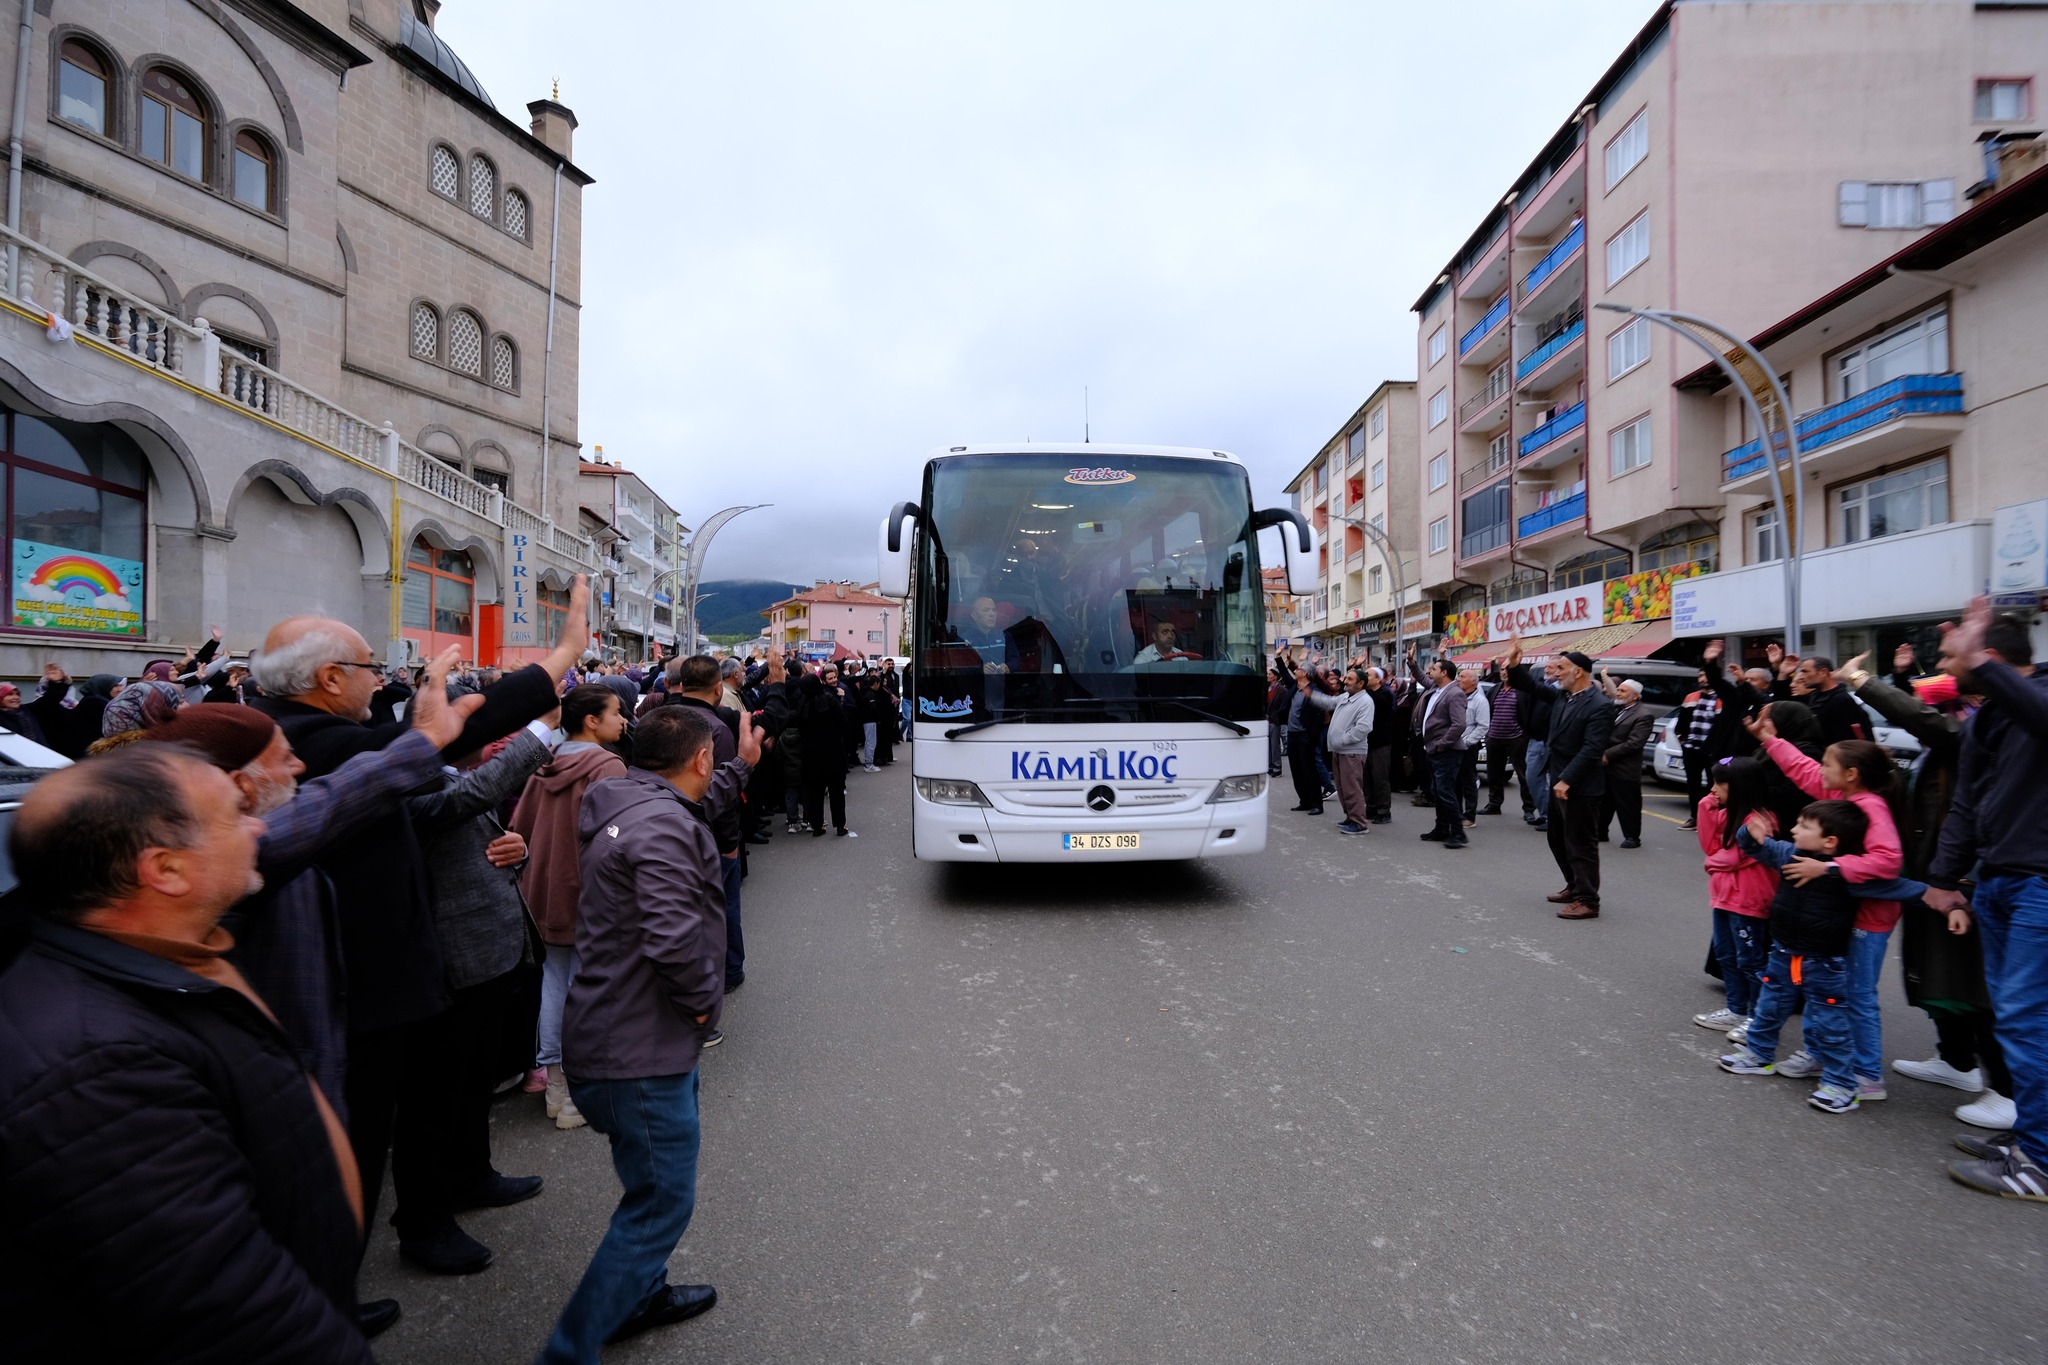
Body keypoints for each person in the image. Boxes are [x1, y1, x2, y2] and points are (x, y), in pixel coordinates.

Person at [249, 576, 590, 1278]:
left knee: (439, 1095)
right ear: (329, 676)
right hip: (367, 976)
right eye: (374, 666)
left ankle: (442, 1198)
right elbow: (432, 758)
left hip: (401, 961)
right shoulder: (311, 740)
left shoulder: (332, 731)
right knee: (368, 1134)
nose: (384, 680)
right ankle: (336, 1287)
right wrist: (557, 663)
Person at [0, 746, 376, 1362]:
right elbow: (230, 1314)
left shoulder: (159, 964)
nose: (259, 825)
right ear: (166, 870)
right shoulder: (96, 1070)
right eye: (234, 814)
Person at [537, 706, 761, 1361]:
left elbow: (694, 802)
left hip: (622, 1036)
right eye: (715, 760)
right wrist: (701, 1004)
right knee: (660, 1203)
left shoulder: (628, 796)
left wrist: (743, 762)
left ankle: (640, 1293)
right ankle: (569, 1349)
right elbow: (670, 936)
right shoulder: (663, 826)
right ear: (698, 760)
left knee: (648, 1185)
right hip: (637, 1052)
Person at [1838, 650, 2012, 1121]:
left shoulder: (1983, 727)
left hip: (1964, 877)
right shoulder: (1962, 729)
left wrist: (1860, 679)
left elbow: (1925, 720)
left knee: (1971, 983)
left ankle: (2008, 1089)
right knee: (1935, 972)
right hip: (1935, 872)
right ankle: (1957, 1061)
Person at [1925, 602, 2048, 1201]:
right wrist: (1945, 878)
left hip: (2039, 886)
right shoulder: (1986, 718)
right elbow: (1968, 805)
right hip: (1999, 882)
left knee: (2027, 1019)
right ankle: (2031, 1138)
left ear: (1990, 658)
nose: (1944, 669)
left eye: (1955, 658)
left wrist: (1983, 668)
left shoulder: (2037, 697)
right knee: (2016, 1019)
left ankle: (2040, 1163)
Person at [1719, 800, 1924, 1114]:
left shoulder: (1847, 873)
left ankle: (1841, 1084)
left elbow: (1896, 887)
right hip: (1783, 954)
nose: (1793, 829)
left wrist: (1945, 898)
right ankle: (1758, 1055)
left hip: (1826, 964)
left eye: (1804, 826)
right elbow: (1754, 847)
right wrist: (1750, 832)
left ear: (1830, 842)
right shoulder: (1788, 854)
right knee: (1769, 1009)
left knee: (1831, 1026)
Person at [1750, 719, 1907, 1102]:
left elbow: (1889, 860)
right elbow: (1803, 769)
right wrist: (1770, 738)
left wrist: (1829, 867)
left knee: (1855, 995)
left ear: (1850, 775)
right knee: (1826, 992)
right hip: (1839, 916)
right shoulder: (1842, 797)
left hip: (1868, 920)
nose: (1819, 769)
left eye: (1828, 764)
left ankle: (1867, 1074)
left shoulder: (1871, 808)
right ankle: (1823, 1055)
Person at [513, 688, 630, 1121]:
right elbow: (616, 836)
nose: (623, 720)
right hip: (589, 889)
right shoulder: (607, 766)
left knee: (555, 983)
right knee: (592, 988)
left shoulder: (544, 761)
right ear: (591, 721)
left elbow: (519, 826)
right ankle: (582, 1092)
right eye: (616, 713)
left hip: (542, 887)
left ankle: (556, 1088)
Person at [663, 657, 749, 993]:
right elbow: (725, 790)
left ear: (681, 685)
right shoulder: (716, 730)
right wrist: (730, 844)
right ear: (718, 688)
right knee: (723, 909)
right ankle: (729, 971)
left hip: (666, 829)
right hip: (710, 835)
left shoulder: (657, 718)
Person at [1693, 757, 1778, 1035]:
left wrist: (1712, 862)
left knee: (1751, 960)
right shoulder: (1725, 812)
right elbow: (1710, 846)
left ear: (1740, 786)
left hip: (1749, 903)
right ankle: (1736, 1009)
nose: (1713, 789)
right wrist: (1705, 807)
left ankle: (1758, 1017)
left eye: (1719, 783)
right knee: (1726, 954)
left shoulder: (1761, 821)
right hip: (1724, 898)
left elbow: (1736, 856)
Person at [1525, 645, 1611, 919]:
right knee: (1557, 838)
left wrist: (1567, 780)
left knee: (1581, 843)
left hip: (1580, 786)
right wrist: (1514, 666)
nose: (1556, 673)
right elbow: (1534, 688)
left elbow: (1592, 749)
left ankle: (1588, 900)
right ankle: (1574, 885)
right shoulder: (1564, 696)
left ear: (1578, 671)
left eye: (1561, 668)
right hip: (1559, 779)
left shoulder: (1600, 705)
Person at [1302, 664, 1375, 834]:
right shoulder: (1345, 697)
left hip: (1352, 752)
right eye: (1346, 678)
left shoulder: (1365, 701)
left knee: (1352, 788)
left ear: (1361, 684)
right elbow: (1329, 701)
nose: (1345, 681)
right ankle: (1351, 817)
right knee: (1343, 788)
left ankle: (1359, 824)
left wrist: (1342, 740)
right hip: (1339, 750)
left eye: (1350, 679)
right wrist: (1312, 695)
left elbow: (1363, 728)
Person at [1505, 651, 1562, 831]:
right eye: (1546, 666)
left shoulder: (1562, 692)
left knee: (1555, 781)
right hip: (1536, 740)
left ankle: (1554, 818)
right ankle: (1545, 813)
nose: (1547, 669)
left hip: (1553, 743)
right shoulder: (1540, 687)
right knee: (1532, 777)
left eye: (1551, 667)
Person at [1417, 657, 1468, 850]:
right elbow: (1421, 677)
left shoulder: (1454, 693)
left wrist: (1442, 744)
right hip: (1433, 750)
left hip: (1446, 752)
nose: (1430, 671)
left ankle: (1458, 832)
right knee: (1439, 792)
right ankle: (1441, 829)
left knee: (1446, 792)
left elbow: (1459, 724)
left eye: (1434, 668)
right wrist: (1412, 663)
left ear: (1444, 673)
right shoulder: (1437, 690)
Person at [1599, 678, 1654, 849]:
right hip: (1606, 766)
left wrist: (1608, 754)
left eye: (1623, 691)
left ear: (1635, 696)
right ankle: (1600, 831)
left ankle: (1632, 836)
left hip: (1625, 767)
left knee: (1627, 804)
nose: (1618, 693)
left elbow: (1634, 743)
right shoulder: (1618, 708)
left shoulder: (1643, 715)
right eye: (1619, 690)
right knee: (1604, 801)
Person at [798, 670, 852, 837]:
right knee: (836, 791)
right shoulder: (830, 700)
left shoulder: (803, 704)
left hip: (811, 754)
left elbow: (800, 728)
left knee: (815, 792)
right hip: (833, 751)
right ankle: (840, 825)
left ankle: (817, 826)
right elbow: (843, 723)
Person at [1479, 664, 1529, 820]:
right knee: (1494, 774)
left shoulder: (1523, 691)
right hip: (1494, 738)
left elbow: (1528, 714)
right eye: (1501, 670)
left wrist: (1524, 734)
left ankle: (1529, 808)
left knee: (1523, 775)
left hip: (1516, 739)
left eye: (1507, 670)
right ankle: (1494, 804)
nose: (1504, 673)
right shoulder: (1495, 690)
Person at [1793, 655, 1868, 747]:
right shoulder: (1814, 697)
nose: (1801, 677)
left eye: (1805, 672)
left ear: (1823, 672)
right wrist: (1782, 673)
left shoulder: (1842, 701)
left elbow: (1846, 742)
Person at [1455, 666, 1488, 827]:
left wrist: (1467, 741)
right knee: (1455, 781)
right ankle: (1456, 813)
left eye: (1462, 677)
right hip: (1453, 745)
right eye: (1458, 676)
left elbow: (1482, 726)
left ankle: (1469, 816)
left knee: (1468, 781)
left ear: (1473, 681)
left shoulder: (1480, 701)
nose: (1458, 679)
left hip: (1468, 746)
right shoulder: (1457, 696)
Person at [1133, 618, 1201, 664]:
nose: (1170, 636)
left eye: (1172, 632)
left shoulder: (1181, 655)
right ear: (1154, 636)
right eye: (1165, 632)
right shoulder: (1143, 660)